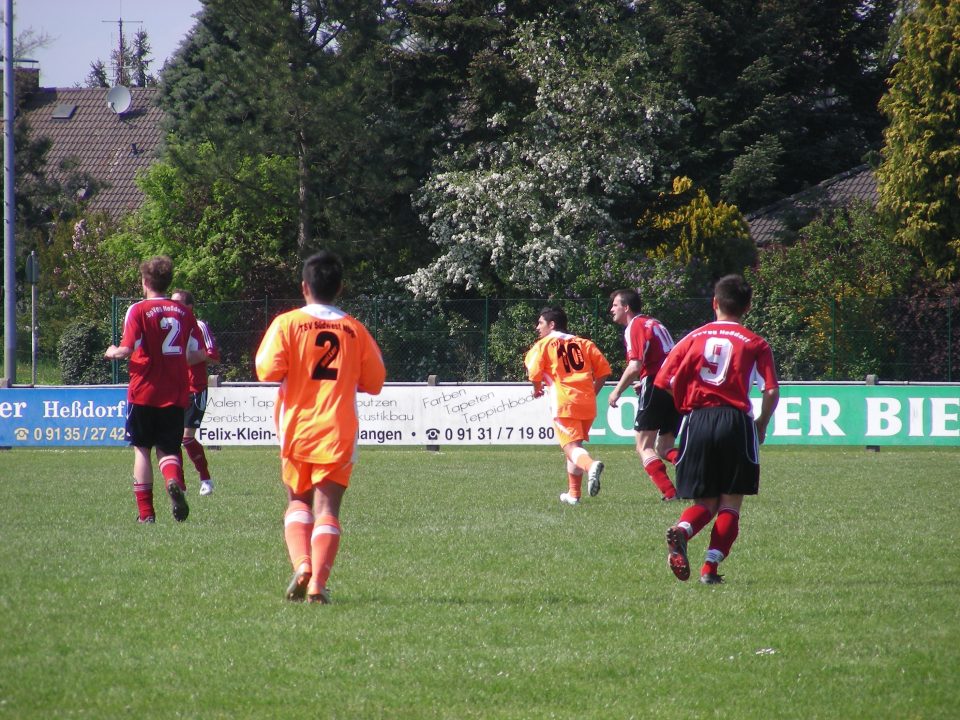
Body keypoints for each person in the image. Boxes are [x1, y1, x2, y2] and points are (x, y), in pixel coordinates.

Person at [255, 251, 386, 604]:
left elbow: (266, 370)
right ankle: (318, 585)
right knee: (328, 508)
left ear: (304, 287)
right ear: (340, 288)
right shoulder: (355, 329)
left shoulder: (287, 323)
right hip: (338, 429)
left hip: (297, 428)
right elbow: (375, 381)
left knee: (298, 500)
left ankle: (302, 564)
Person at [654, 274, 779, 584]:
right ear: (747, 306)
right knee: (730, 502)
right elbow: (771, 391)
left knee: (705, 503)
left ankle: (682, 531)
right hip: (735, 422)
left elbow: (662, 381)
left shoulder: (693, 337)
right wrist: (761, 424)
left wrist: (687, 404)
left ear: (714, 303)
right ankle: (709, 569)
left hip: (697, 420)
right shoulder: (755, 342)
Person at [105, 256, 205, 524]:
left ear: (145, 281)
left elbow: (127, 349)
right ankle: (172, 480)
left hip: (144, 391)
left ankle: (146, 514)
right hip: (175, 390)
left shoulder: (137, 310)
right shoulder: (184, 312)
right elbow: (197, 354)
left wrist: (112, 351)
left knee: (141, 450)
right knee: (169, 450)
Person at [524, 307, 612, 506]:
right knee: (575, 447)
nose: (537, 327)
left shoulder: (543, 345)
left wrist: (536, 388)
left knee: (570, 447)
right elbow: (604, 371)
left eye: (540, 323)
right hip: (587, 403)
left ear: (552, 324)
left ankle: (591, 466)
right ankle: (574, 495)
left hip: (564, 402)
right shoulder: (584, 343)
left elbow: (534, 372)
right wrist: (592, 393)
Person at [606, 288, 682, 501]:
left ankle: (669, 493)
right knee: (664, 447)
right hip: (674, 386)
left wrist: (616, 391)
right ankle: (691, 466)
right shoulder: (655, 323)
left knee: (643, 446)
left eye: (615, 305)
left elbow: (635, 365)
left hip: (657, 383)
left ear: (626, 308)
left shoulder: (635, 326)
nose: (611, 309)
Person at [171, 289, 220, 497]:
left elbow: (213, 355)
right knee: (172, 439)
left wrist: (183, 358)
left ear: (190, 307)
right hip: (172, 388)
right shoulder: (168, 327)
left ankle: (206, 479)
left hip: (194, 388)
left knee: (187, 438)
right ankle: (179, 484)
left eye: (179, 304)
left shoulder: (199, 326)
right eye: (172, 303)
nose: (174, 308)